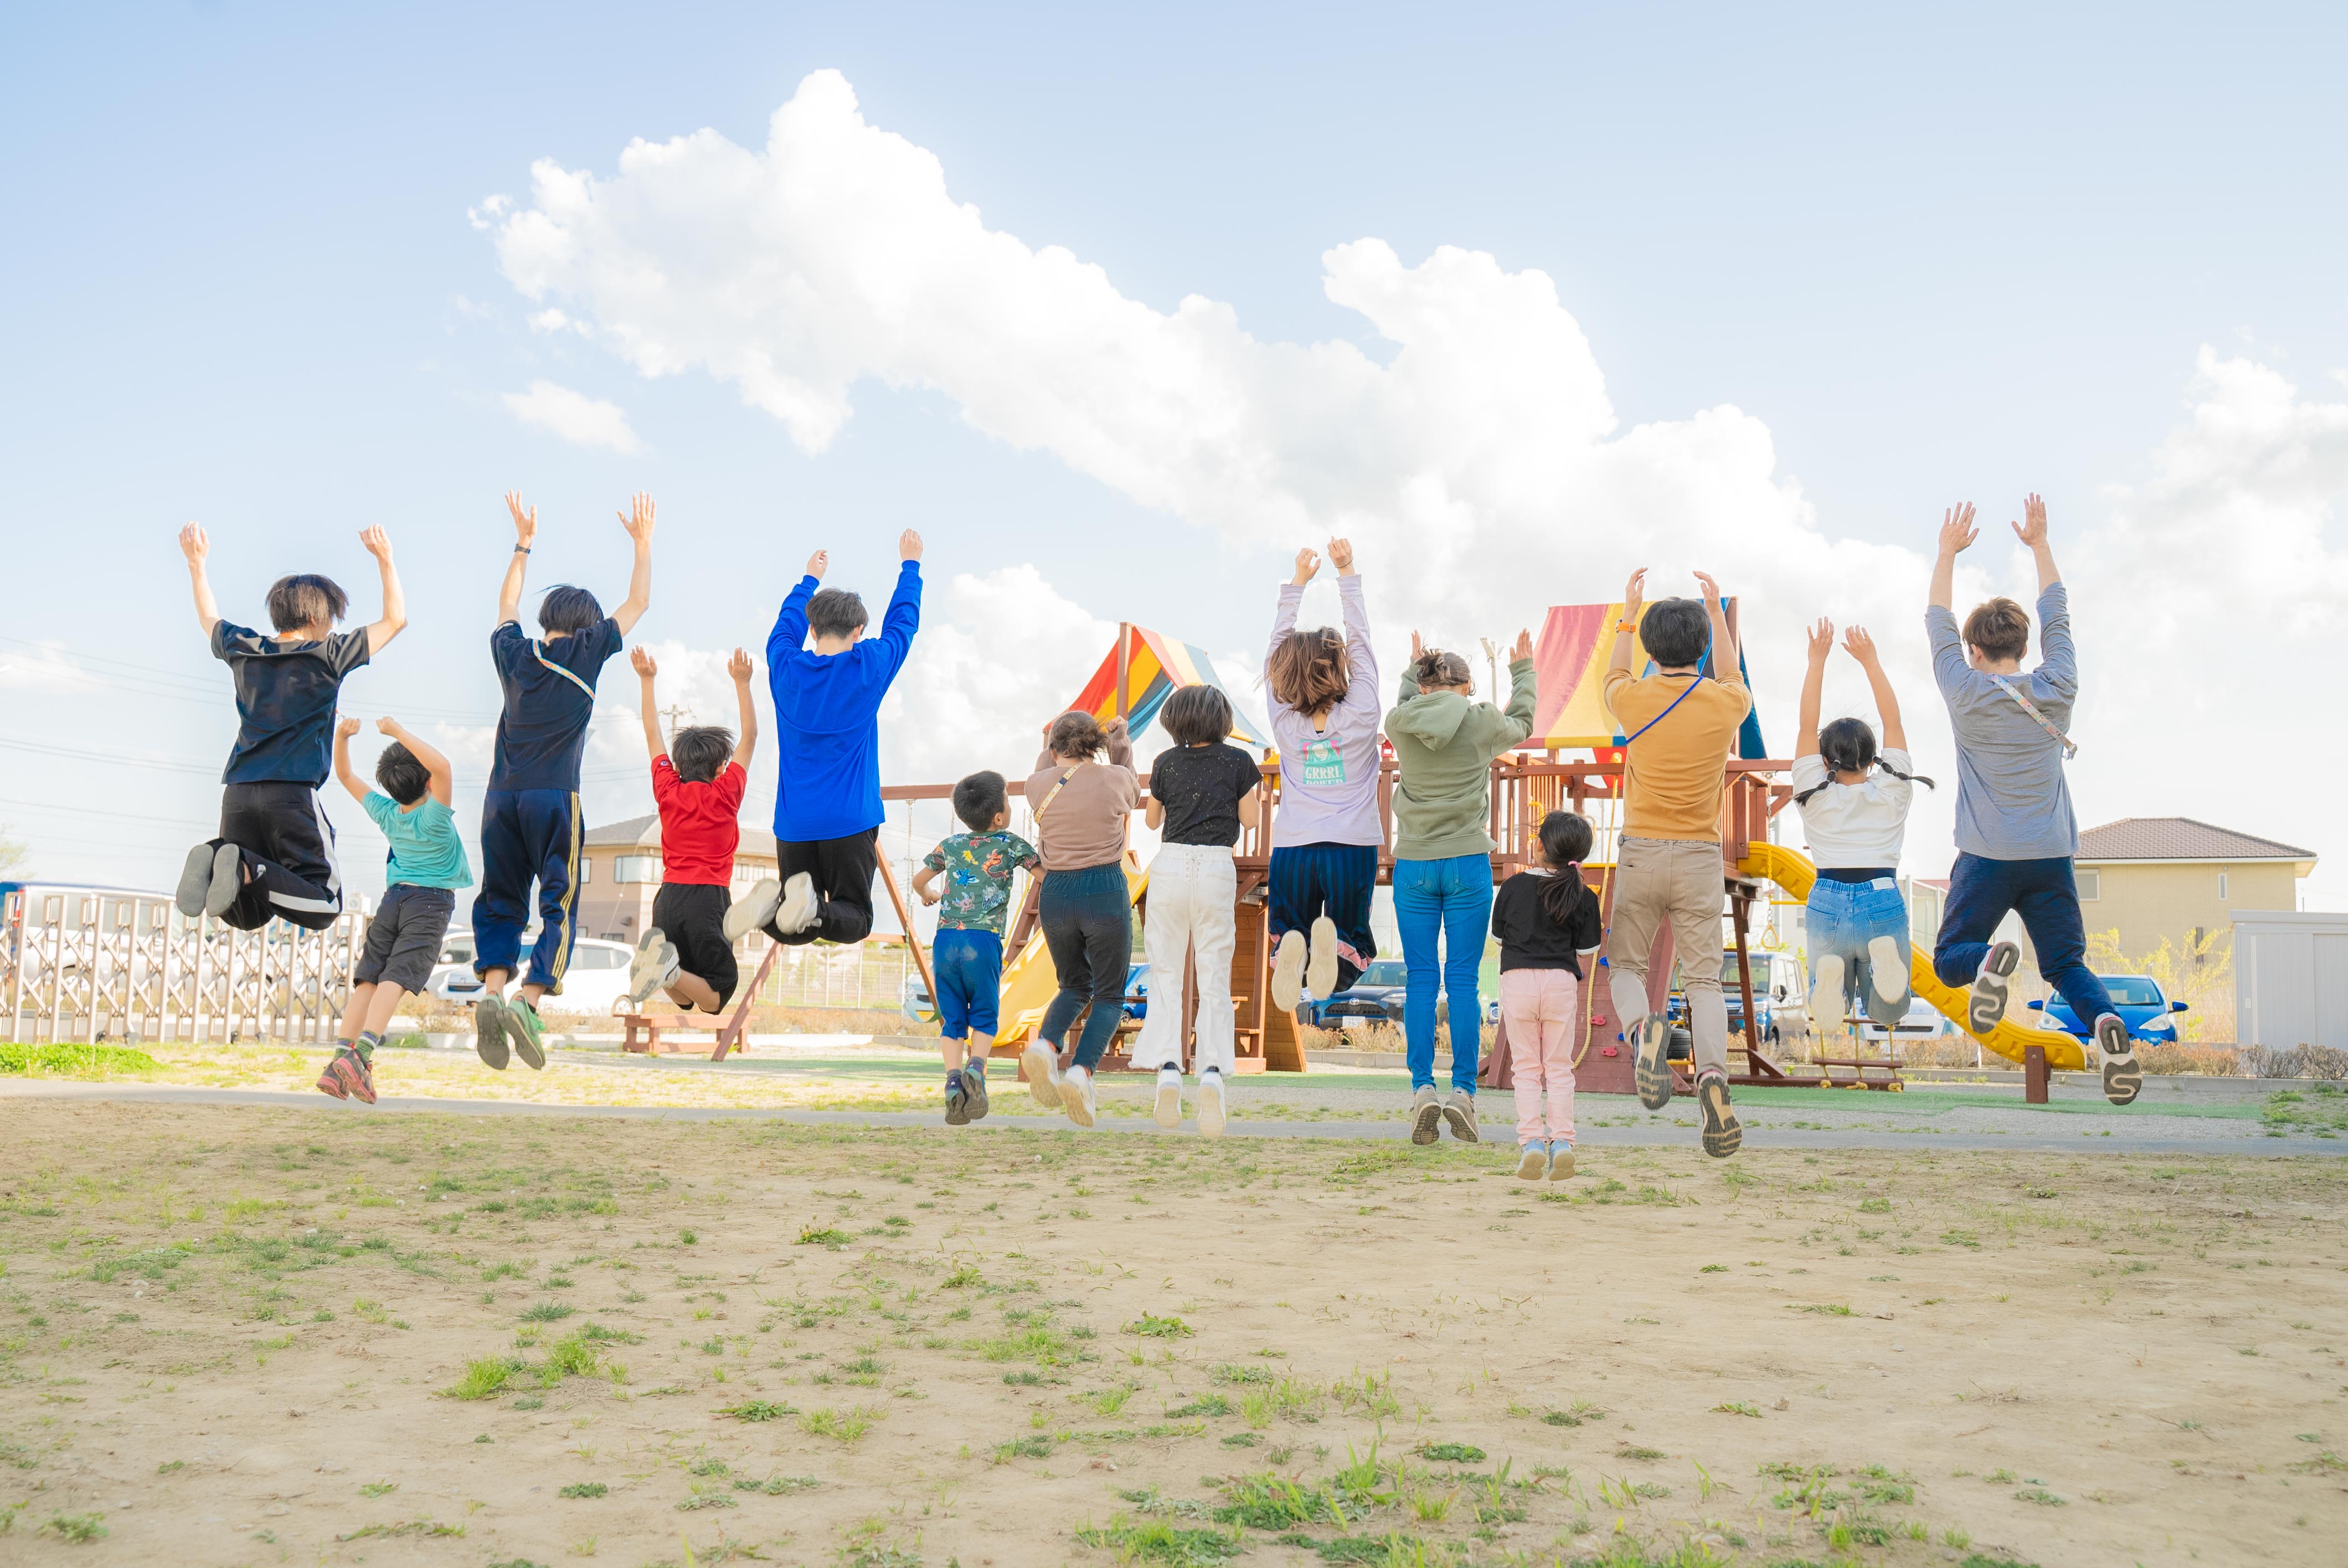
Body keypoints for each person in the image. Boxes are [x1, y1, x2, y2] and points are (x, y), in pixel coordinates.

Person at [1926, 497, 2138, 1105]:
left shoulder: (1963, 689)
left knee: (1948, 960)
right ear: (2023, 645)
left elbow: (1935, 616)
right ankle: (2106, 1027)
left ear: (1972, 650)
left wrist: (1946, 552)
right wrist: (2040, 545)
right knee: (2067, 967)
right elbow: (2059, 617)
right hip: (2049, 856)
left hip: (1986, 856)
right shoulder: (2057, 685)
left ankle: (1991, 957)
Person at [472, 491, 653, 1071]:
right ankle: (529, 1001)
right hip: (555, 799)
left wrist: (523, 543)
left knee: (500, 898)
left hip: (500, 799)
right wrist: (643, 543)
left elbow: (504, 604)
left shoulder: (512, 653)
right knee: (559, 902)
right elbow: (639, 602)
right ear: (584, 627)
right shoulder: (589, 650)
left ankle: (491, 993)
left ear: (547, 623)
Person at [174, 522, 405, 930]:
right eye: (331, 619)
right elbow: (395, 620)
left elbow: (208, 617)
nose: (332, 627)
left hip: (239, 794)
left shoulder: (244, 648)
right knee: (326, 903)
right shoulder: (327, 653)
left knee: (247, 914)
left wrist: (197, 564)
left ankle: (222, 860)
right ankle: (241, 866)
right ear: (318, 617)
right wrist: (385, 559)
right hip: (292, 795)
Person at [1603, 569, 1751, 1159]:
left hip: (1641, 851)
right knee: (1704, 981)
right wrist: (1716, 610)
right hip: (1697, 857)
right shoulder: (1725, 704)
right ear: (1702, 648)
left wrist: (1626, 613)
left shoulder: (1631, 699)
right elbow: (1734, 675)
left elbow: (1614, 672)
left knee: (1625, 968)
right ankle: (1712, 1079)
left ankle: (1644, 1033)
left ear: (1649, 648)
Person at [732, 533, 924, 955]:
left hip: (795, 822)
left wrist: (808, 581)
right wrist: (910, 566)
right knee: (853, 918)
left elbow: (784, 628)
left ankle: (770, 910)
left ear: (813, 628)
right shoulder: (868, 666)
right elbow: (903, 624)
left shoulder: (785, 667)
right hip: (849, 820)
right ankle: (805, 909)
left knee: (793, 923)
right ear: (859, 630)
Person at [1386, 629, 1536, 1146]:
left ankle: (1423, 1088)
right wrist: (1523, 672)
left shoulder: (1401, 723)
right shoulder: (1482, 722)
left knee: (1422, 978)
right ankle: (1464, 1093)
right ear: (1468, 686)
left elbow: (1408, 701)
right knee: (1465, 981)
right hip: (1468, 861)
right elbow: (1524, 722)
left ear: (1424, 687)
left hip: (1415, 865)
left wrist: (1412, 670)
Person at [1793, 619, 1934, 1040]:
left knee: (1826, 1000)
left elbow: (1805, 726)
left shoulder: (1812, 794)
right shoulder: (1893, 790)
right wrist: (1871, 661)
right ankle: (1880, 965)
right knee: (1889, 1011)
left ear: (1823, 761)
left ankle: (1829, 980)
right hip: (1881, 895)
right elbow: (1895, 722)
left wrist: (1816, 661)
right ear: (1874, 760)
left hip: (1827, 898)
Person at [317, 715, 470, 1103]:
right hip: (430, 903)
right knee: (396, 978)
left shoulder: (386, 813)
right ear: (429, 782)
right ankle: (362, 1054)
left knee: (369, 979)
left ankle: (340, 1064)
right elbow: (444, 767)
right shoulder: (436, 816)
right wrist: (399, 733)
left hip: (393, 900)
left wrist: (342, 737)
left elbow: (347, 775)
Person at [1135, 685, 1264, 1137]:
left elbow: (1152, 821)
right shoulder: (1239, 762)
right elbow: (1250, 820)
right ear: (1221, 719)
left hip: (1169, 865)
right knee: (1214, 977)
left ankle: (1169, 1070)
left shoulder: (1166, 763)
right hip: (1214, 867)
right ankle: (1211, 1073)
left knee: (1166, 971)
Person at [1263, 538, 1382, 1014]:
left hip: (1293, 846)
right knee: (1355, 938)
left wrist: (1296, 585)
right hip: (1350, 845)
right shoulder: (1362, 713)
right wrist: (1347, 571)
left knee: (1289, 925)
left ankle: (1289, 946)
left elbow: (1274, 650)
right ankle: (1338, 955)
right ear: (1342, 669)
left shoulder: (1283, 721)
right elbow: (1362, 641)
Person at [1019, 711, 1141, 1128]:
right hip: (1104, 887)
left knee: (1073, 985)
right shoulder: (1114, 780)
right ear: (1096, 746)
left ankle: (1046, 1046)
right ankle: (1081, 1071)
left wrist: (1046, 745)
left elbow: (1043, 772)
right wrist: (1119, 740)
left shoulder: (1036, 786)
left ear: (1053, 750)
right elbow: (1134, 787)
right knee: (1109, 995)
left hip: (1055, 893)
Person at [624, 647, 759, 1018]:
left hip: (668, 898)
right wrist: (742, 683)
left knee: (685, 995)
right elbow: (750, 737)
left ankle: (661, 966)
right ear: (721, 768)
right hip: (708, 899)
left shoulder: (668, 788)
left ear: (680, 764)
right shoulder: (725, 793)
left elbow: (652, 732)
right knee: (718, 993)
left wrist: (647, 681)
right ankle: (663, 967)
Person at [913, 771, 1041, 1126]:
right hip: (982, 941)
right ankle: (977, 1070)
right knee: (984, 1014)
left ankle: (953, 1082)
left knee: (953, 1020)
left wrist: (930, 896)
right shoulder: (1011, 844)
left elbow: (919, 881)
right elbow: (1045, 874)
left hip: (946, 941)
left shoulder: (950, 845)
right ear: (999, 817)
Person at [1492, 810, 1603, 1181]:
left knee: (1525, 1068)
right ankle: (1563, 1143)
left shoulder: (1513, 886)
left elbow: (1498, 938)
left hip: (1519, 981)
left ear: (1540, 846)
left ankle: (1532, 1143)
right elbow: (1588, 949)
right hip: (1560, 983)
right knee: (1559, 1068)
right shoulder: (1584, 894)